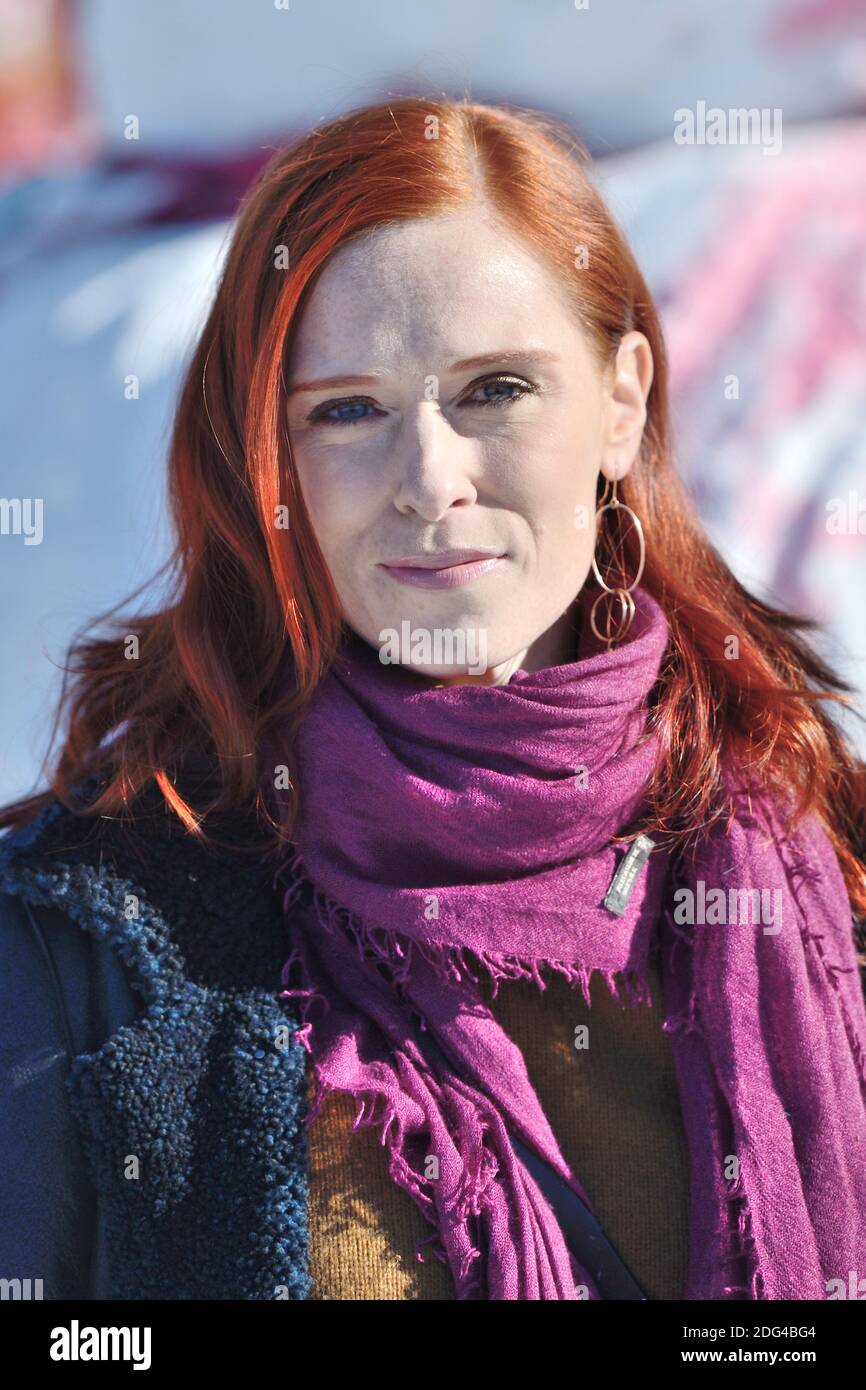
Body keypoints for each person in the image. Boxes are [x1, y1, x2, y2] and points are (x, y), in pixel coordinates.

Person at [1, 95, 865, 1302]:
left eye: (494, 388)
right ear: (267, 461)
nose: (426, 479)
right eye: (345, 409)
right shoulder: (89, 941)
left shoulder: (830, 856)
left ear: (620, 400)